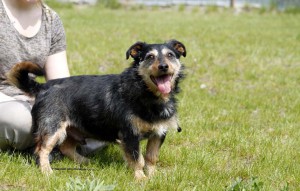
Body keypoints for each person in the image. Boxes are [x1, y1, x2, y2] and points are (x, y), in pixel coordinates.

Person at [0, 0, 105, 155]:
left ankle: (46, 144)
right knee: (23, 121)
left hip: (34, 100)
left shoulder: (51, 19)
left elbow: (62, 83)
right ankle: (53, 144)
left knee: (100, 118)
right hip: (5, 102)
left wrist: (73, 113)